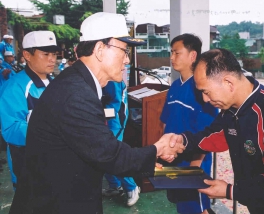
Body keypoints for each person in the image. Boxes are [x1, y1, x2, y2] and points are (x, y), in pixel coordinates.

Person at [10, 12, 184, 214]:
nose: (127, 60)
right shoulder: (76, 94)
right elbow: (109, 155)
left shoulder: (78, 83)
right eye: (124, 51)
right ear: (101, 49)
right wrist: (157, 149)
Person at [161, 48, 264, 214]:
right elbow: (212, 136)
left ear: (229, 83)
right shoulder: (232, 110)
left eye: (206, 92)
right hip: (259, 202)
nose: (205, 99)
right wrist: (180, 141)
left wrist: (229, 191)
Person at [160, 34, 218, 214]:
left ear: (192, 56)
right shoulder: (175, 86)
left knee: (198, 207)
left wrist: (195, 165)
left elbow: (208, 132)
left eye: (176, 53)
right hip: (173, 160)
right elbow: (165, 123)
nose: (171, 57)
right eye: (171, 53)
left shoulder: (202, 89)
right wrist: (161, 153)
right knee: (181, 205)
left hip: (194, 162)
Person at [0, 31, 59, 192]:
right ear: (27, 54)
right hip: (29, 167)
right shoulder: (15, 87)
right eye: (45, 53)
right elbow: (11, 129)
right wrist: (55, 131)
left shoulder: (52, 82)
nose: (52, 59)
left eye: (53, 53)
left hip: (53, 163)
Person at [101, 80, 140, 206]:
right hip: (105, 121)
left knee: (114, 155)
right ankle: (115, 186)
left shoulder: (113, 79)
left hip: (115, 122)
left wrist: (95, 112)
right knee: (103, 154)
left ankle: (132, 187)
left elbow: (115, 106)